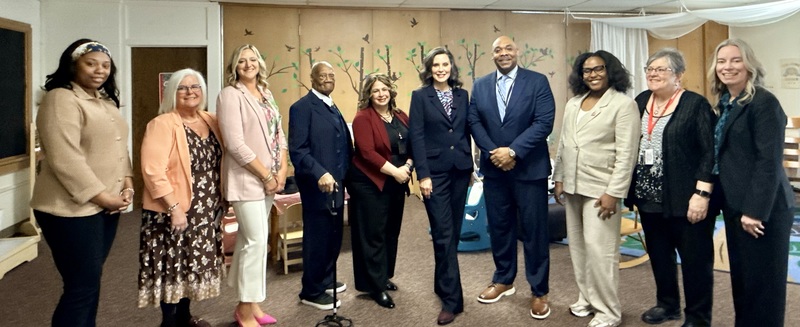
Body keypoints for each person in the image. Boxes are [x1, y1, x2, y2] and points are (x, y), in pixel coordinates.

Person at [31, 38, 133, 327]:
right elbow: (66, 158)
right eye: (91, 63)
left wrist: (127, 183)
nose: (99, 70)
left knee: (89, 282)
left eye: (105, 65)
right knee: (81, 286)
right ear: (73, 64)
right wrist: (104, 197)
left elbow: (119, 148)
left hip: (104, 207)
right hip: (68, 210)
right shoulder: (60, 98)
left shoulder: (104, 102)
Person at [623, 48, 718, 327]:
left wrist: (702, 194)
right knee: (660, 256)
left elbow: (708, 153)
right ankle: (667, 305)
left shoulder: (695, 104)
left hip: (687, 198)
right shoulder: (641, 101)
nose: (653, 74)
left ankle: (698, 316)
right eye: (649, 69)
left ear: (678, 75)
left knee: (695, 262)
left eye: (660, 69)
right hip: (649, 197)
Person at [467, 35, 555, 319]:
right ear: (492, 55)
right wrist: (494, 151)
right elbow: (473, 121)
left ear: (517, 51)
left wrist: (513, 151)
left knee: (534, 232)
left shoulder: (537, 81)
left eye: (508, 48)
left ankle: (539, 291)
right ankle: (504, 280)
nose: (503, 53)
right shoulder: (480, 85)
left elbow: (544, 122)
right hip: (494, 170)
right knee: (501, 227)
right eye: (497, 50)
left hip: (530, 170)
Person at [709, 38, 793, 327]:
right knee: (744, 281)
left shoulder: (764, 102)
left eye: (735, 60)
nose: (727, 67)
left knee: (764, 287)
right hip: (736, 205)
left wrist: (755, 211)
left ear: (749, 65)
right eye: (722, 61)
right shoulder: (727, 102)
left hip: (762, 208)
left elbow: (768, 161)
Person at [553, 50, 639, 327]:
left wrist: (614, 192)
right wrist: (559, 178)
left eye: (599, 69)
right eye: (587, 71)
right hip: (575, 186)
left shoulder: (623, 105)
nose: (593, 74)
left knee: (601, 252)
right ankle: (587, 299)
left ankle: (608, 311)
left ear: (610, 70)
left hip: (602, 188)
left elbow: (627, 154)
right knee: (579, 247)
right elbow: (565, 144)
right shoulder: (574, 104)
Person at [138, 69, 224, 327]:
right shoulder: (162, 123)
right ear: (172, 93)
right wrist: (174, 208)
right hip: (173, 208)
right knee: (172, 265)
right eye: (182, 88)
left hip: (206, 207)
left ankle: (185, 316)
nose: (190, 92)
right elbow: (153, 170)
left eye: (195, 86)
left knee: (191, 264)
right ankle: (169, 321)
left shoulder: (211, 120)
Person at [217, 44, 287, 327]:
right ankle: (244, 311)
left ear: (260, 62)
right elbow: (235, 144)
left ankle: (252, 304)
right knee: (257, 241)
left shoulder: (267, 94)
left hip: (270, 179)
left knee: (250, 241)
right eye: (242, 61)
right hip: (247, 179)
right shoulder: (230, 95)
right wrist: (266, 175)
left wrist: (282, 169)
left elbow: (279, 134)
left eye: (253, 59)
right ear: (234, 67)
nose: (248, 64)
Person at [408, 47, 473, 326]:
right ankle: (452, 301)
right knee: (444, 234)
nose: (441, 69)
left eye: (445, 64)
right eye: (436, 64)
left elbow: (465, 131)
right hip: (434, 174)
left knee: (452, 234)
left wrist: (473, 166)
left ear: (451, 67)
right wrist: (422, 174)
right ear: (429, 68)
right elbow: (417, 136)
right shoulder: (420, 97)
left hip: (460, 170)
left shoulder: (462, 95)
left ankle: (441, 283)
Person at [289, 61, 353, 310]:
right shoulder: (302, 108)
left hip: (337, 185)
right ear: (312, 79)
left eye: (331, 75)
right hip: (317, 186)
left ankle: (325, 279)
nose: (328, 79)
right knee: (317, 238)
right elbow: (298, 150)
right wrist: (320, 173)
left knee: (332, 236)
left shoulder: (331, 105)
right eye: (322, 75)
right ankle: (311, 290)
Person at [347, 73, 413, 310]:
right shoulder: (362, 118)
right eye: (376, 90)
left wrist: (406, 166)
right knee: (373, 234)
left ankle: (384, 276)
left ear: (391, 91)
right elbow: (366, 152)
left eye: (384, 89)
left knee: (390, 232)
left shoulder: (401, 116)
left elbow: (413, 143)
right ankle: (374, 286)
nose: (381, 93)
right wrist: (395, 172)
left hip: (397, 180)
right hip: (370, 182)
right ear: (369, 95)